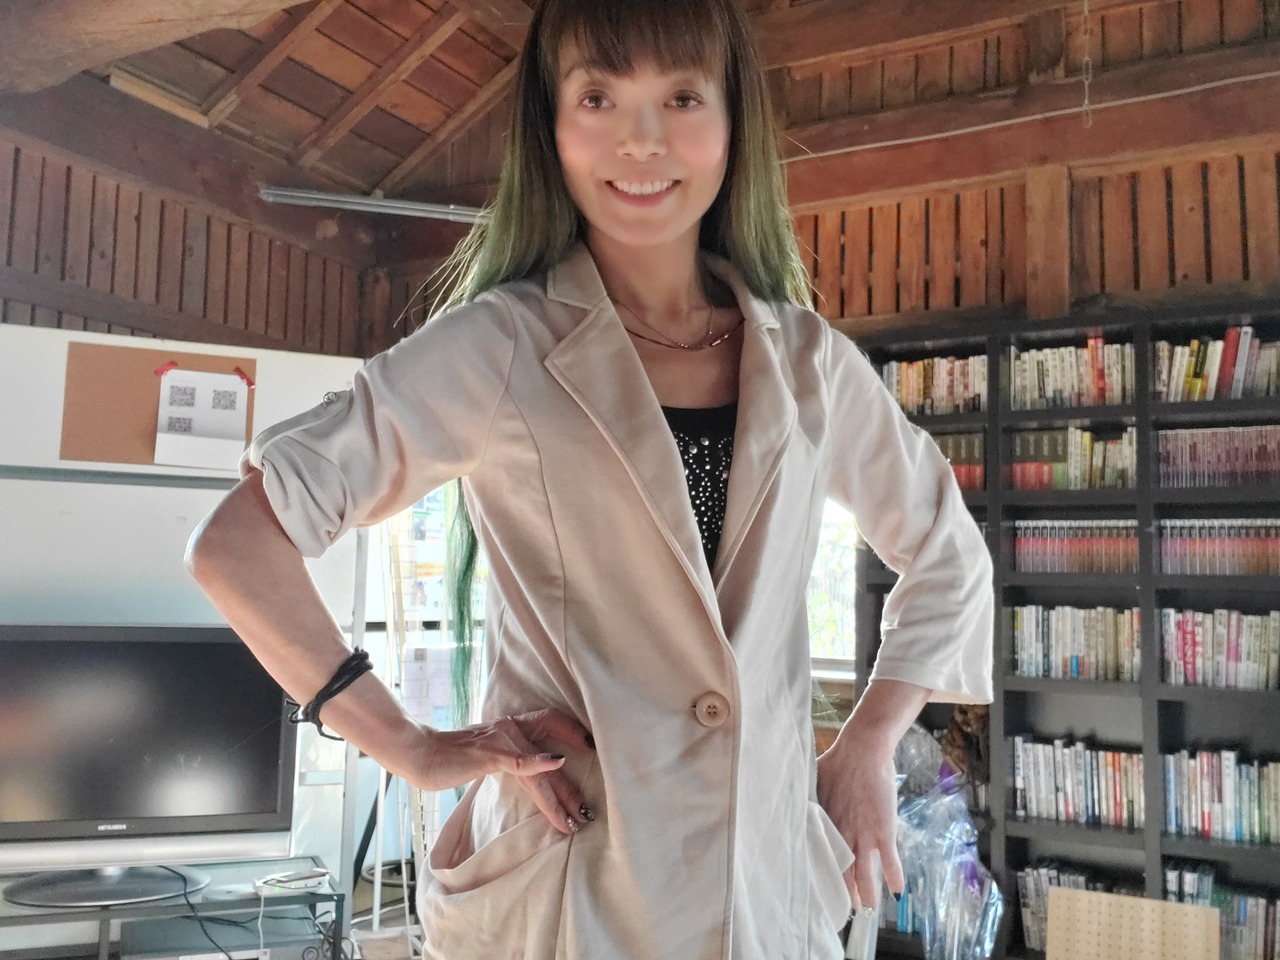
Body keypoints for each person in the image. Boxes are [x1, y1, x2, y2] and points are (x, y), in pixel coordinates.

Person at [185, 0, 994, 957]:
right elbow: (238, 545)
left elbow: (949, 554)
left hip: (764, 890)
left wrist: (865, 743)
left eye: (681, 98)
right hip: (573, 885)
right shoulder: (497, 346)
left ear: (734, 122)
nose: (641, 141)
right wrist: (408, 745)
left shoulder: (810, 361)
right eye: (599, 98)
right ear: (552, 128)